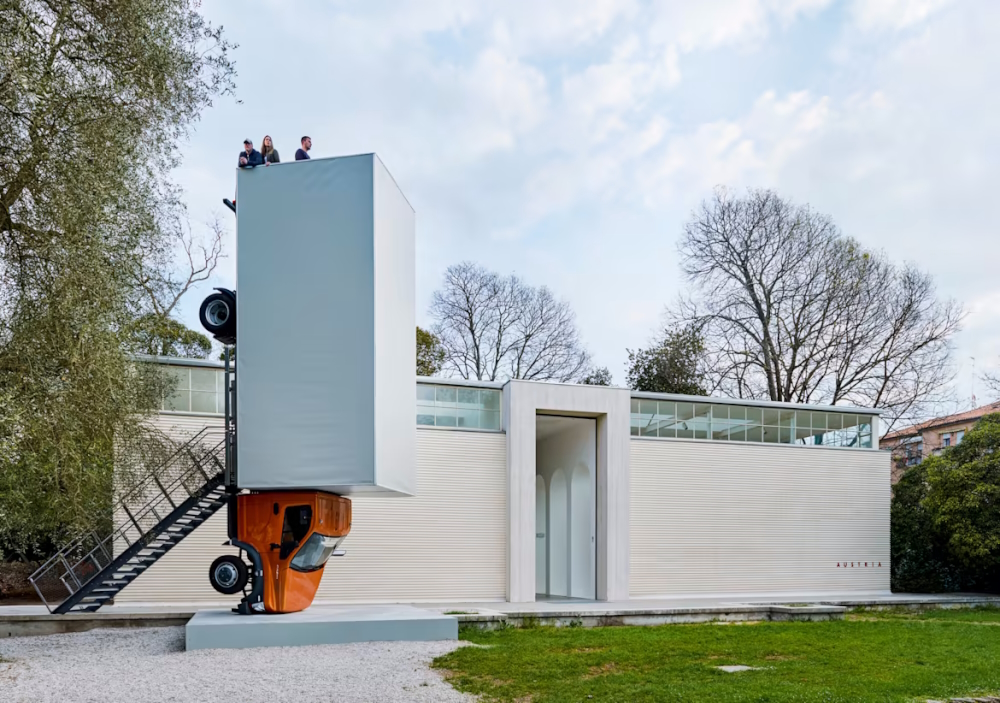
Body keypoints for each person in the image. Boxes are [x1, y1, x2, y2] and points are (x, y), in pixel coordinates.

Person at [223, 139, 263, 212]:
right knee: (240, 186)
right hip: (244, 178)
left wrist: (247, 162)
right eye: (245, 144)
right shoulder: (242, 154)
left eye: (248, 144)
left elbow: (259, 162)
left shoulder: (257, 153)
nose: (247, 145)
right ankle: (238, 201)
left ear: (252, 145)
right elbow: (239, 164)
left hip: (254, 178)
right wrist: (243, 162)